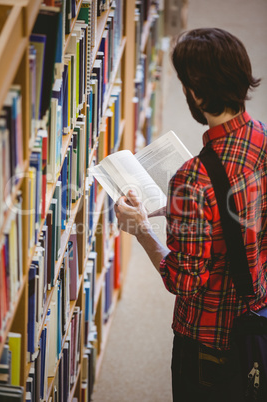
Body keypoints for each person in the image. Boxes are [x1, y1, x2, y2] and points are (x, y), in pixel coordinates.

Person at [114, 28, 267, 401]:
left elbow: (184, 280)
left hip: (208, 341)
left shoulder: (192, 180)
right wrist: (184, 214)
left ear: (196, 93)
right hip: (258, 311)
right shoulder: (261, 136)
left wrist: (142, 231)